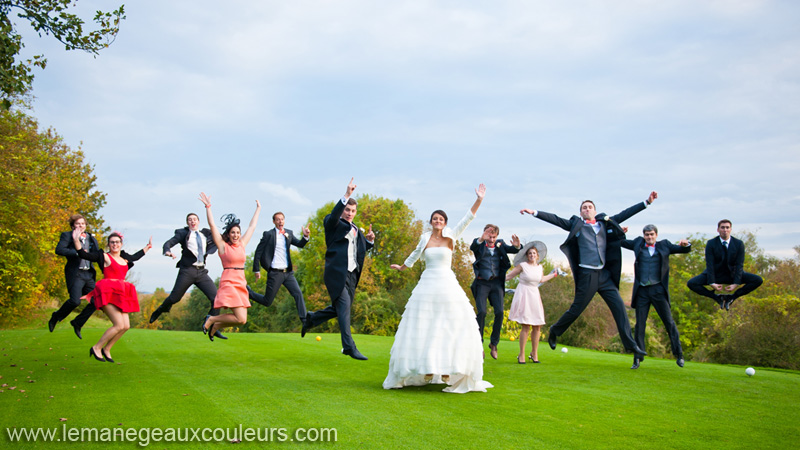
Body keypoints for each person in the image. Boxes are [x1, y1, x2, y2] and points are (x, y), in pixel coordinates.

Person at [519, 192, 657, 362]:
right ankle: (555, 331)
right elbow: (556, 219)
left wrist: (646, 202)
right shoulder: (576, 224)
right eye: (584, 208)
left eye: (589, 207)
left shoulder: (605, 223)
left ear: (594, 210)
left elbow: (625, 214)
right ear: (581, 212)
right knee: (577, 309)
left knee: (620, 308)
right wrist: (535, 212)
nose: (587, 209)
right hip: (587, 274)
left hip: (605, 275)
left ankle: (632, 346)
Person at [384, 184, 493, 393]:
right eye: (435, 219)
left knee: (447, 323)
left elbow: (468, 218)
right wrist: (403, 266)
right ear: (431, 222)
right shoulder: (425, 238)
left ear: (445, 223)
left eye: (441, 219)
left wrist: (479, 199)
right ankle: (426, 368)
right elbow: (416, 254)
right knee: (425, 324)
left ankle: (445, 370)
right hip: (427, 284)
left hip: (446, 284)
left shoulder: (452, 235)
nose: (438, 222)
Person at [302, 178, 375, 360]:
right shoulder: (332, 223)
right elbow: (333, 216)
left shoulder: (356, 228)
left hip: (352, 275)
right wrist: (347, 195)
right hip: (336, 273)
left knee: (340, 309)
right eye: (347, 210)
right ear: (342, 210)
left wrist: (370, 241)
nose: (350, 213)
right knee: (344, 308)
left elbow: (360, 249)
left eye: (353, 211)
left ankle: (312, 319)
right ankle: (349, 346)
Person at [75, 230, 152, 363]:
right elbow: (82, 254)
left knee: (126, 326)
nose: (114, 244)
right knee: (118, 325)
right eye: (112, 242)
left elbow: (136, 256)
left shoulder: (124, 258)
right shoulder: (104, 256)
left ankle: (107, 349)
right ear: (109, 244)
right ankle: (97, 347)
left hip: (121, 293)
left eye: (117, 242)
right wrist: (76, 239)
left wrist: (148, 247)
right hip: (108, 292)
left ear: (121, 244)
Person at [621, 225, 691, 369]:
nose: (649, 237)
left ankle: (679, 355)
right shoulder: (638, 243)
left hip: (658, 290)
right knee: (640, 325)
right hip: (642, 292)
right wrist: (619, 232)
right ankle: (637, 358)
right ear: (644, 235)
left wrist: (686, 245)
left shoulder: (664, 245)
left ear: (656, 235)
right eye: (647, 235)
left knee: (669, 322)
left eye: (652, 234)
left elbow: (684, 250)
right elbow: (621, 242)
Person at [149, 213, 227, 339]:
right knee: (174, 298)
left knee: (217, 299)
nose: (192, 221)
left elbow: (223, 237)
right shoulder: (183, 233)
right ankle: (160, 309)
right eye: (189, 220)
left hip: (201, 272)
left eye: (194, 219)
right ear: (187, 223)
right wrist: (167, 251)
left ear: (199, 221)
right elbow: (168, 243)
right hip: (187, 271)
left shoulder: (206, 234)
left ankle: (213, 326)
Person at [199, 193, 261, 341]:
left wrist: (258, 209)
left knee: (242, 320)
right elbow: (212, 225)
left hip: (241, 282)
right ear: (228, 234)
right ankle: (212, 320)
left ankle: (215, 324)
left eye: (238, 233)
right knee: (240, 318)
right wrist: (208, 207)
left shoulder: (242, 244)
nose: (236, 235)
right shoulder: (223, 246)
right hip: (229, 281)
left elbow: (252, 227)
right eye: (233, 232)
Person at [247, 212, 310, 326]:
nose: (280, 221)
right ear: (274, 222)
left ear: (284, 221)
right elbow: (258, 252)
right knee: (267, 302)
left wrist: (305, 236)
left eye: (282, 219)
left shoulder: (289, 233)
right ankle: (249, 293)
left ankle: (305, 320)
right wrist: (257, 270)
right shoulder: (268, 235)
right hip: (275, 273)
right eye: (278, 219)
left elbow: (300, 244)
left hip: (288, 273)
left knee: (298, 293)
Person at [687, 220, 763, 310]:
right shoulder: (711, 243)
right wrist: (712, 282)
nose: (725, 230)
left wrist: (736, 283)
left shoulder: (738, 244)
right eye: (722, 227)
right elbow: (710, 264)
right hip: (716, 274)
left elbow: (739, 264)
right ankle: (717, 297)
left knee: (757, 280)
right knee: (692, 283)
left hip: (733, 274)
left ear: (730, 229)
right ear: (718, 230)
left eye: (727, 227)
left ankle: (732, 297)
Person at [470, 224, 521, 360]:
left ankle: (494, 343)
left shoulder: (501, 244)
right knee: (481, 312)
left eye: (494, 237)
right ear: (484, 234)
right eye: (489, 236)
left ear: (497, 236)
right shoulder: (479, 244)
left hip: (497, 283)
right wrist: (482, 238)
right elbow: (473, 247)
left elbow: (514, 250)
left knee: (499, 312)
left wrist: (517, 246)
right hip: (482, 283)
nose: (491, 239)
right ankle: (479, 344)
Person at [505, 241, 559, 364]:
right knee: (526, 325)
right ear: (527, 255)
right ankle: (522, 354)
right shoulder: (523, 266)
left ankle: (534, 353)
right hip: (524, 295)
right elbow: (509, 277)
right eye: (530, 253)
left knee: (537, 325)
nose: (532, 255)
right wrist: (495, 278)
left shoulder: (540, 267)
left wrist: (554, 275)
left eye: (534, 253)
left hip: (535, 295)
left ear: (537, 255)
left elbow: (541, 279)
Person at [49, 214, 102, 339]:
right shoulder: (67, 236)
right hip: (76, 273)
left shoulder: (90, 237)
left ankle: (78, 323)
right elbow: (59, 250)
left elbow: (97, 254)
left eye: (82, 224)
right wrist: (77, 253)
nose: (80, 226)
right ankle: (56, 316)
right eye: (78, 224)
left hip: (88, 274)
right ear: (73, 226)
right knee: (75, 301)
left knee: (97, 301)